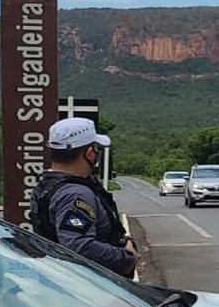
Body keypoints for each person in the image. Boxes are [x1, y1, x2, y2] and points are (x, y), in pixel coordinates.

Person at [29, 117, 138, 278]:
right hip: (90, 285)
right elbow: (77, 245)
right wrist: (126, 258)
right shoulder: (76, 194)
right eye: (95, 149)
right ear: (89, 153)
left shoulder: (47, 186)